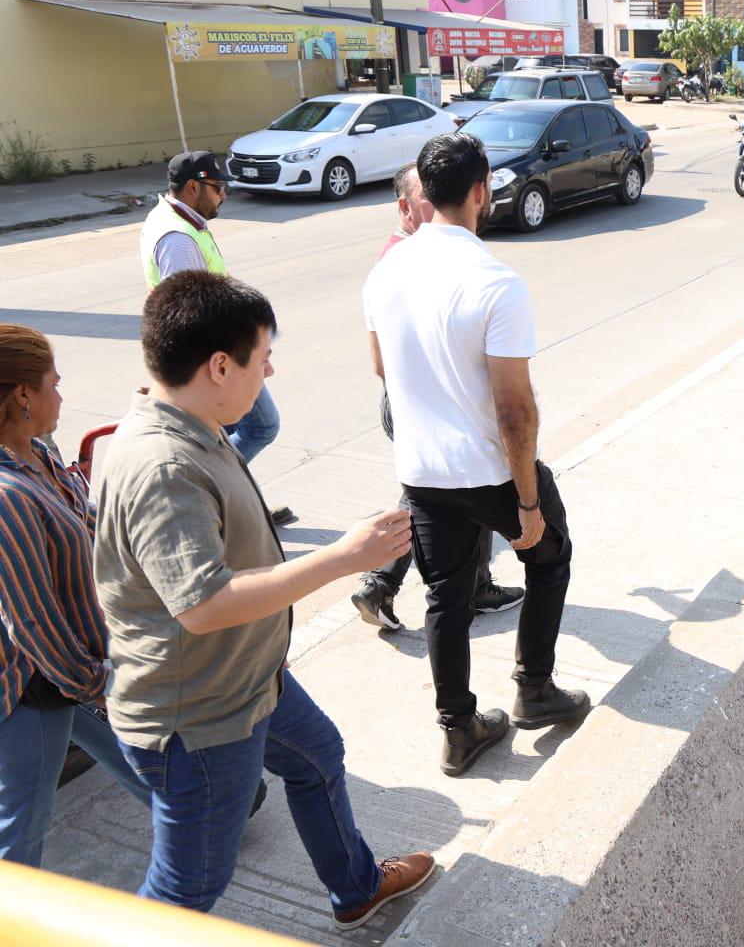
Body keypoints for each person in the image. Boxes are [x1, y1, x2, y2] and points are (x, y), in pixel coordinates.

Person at [92, 271, 434, 927]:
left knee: (318, 756)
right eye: (262, 356)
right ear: (219, 366)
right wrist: (344, 558)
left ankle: (357, 887)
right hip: (199, 720)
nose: (270, 369)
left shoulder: (194, 418)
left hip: (249, 677)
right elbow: (205, 606)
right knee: (184, 893)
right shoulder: (164, 466)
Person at [363, 133, 590, 779]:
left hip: (422, 473)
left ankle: (458, 730)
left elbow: (382, 368)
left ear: (423, 195)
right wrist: (526, 503)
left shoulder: (385, 274)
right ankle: (535, 690)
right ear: (481, 191)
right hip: (490, 471)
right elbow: (515, 412)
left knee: (446, 600)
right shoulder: (496, 281)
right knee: (549, 558)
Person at [0, 325, 155, 867]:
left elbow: (86, 525)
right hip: (35, 685)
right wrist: (99, 686)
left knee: (147, 765)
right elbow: (33, 624)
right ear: (23, 395)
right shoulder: (7, 495)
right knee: (20, 836)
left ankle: (196, 830)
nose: (61, 395)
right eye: (54, 384)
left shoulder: (37, 453)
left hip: (75, 667)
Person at [352, 164, 524, 631]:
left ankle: (385, 584)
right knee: (464, 485)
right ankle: (461, 586)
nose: (439, 205)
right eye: (427, 198)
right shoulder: (402, 258)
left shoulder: (415, 253)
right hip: (416, 400)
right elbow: (383, 361)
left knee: (427, 493)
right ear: (406, 208)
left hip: (415, 399)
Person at [138, 150, 293, 525]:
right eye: (217, 187)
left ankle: (235, 504)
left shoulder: (177, 219)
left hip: (216, 360)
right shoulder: (177, 237)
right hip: (214, 363)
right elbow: (193, 315)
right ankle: (222, 500)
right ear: (193, 187)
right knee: (261, 426)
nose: (224, 194)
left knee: (219, 435)